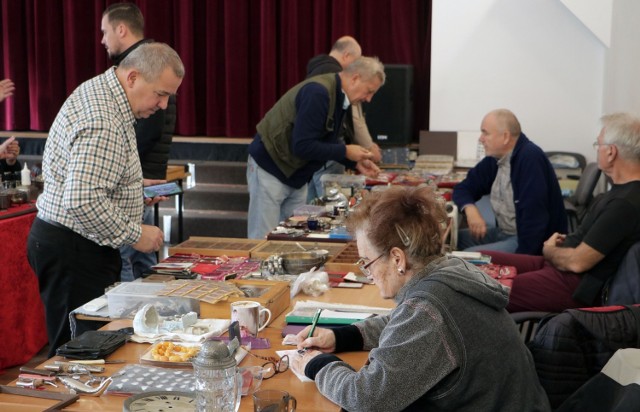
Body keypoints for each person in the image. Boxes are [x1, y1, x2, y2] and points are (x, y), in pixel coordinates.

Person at [291, 185, 550, 412]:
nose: (366, 273)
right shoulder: (449, 271)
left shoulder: (428, 308)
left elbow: (366, 399)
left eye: (366, 262)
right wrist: (341, 337)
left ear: (397, 259)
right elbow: (403, 322)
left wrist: (318, 364)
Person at [27, 43, 184, 356]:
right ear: (133, 78)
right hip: (74, 250)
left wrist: (130, 187)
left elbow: (87, 176)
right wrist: (135, 234)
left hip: (73, 246)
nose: (164, 105)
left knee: (90, 349)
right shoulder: (104, 118)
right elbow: (82, 200)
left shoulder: (105, 96)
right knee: (80, 357)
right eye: (160, 94)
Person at [484, 112, 640, 313]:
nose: (597, 150)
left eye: (598, 145)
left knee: (482, 289)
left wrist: (549, 250)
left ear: (610, 152)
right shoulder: (619, 193)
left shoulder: (623, 204)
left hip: (571, 284)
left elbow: (577, 262)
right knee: (480, 259)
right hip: (558, 267)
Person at [246, 56, 383, 239]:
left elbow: (325, 140)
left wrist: (354, 162)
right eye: (369, 91)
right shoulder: (318, 92)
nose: (369, 99)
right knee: (263, 240)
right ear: (355, 78)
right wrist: (346, 151)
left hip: (295, 175)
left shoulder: (339, 96)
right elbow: (302, 146)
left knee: (292, 237)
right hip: (271, 168)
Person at [101, 2, 178, 281]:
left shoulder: (144, 66)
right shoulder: (147, 64)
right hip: (136, 179)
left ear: (121, 29)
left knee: (131, 260)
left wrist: (130, 178)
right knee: (138, 259)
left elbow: (146, 132)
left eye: (105, 32)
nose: (102, 40)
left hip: (136, 179)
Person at [453, 109, 566, 255]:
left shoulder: (529, 158)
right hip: (503, 233)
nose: (481, 138)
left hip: (527, 242)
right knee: (452, 239)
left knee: (466, 257)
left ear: (505, 137)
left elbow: (534, 223)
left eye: (485, 133)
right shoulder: (495, 159)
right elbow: (463, 188)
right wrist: (470, 209)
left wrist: (521, 262)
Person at [306, 36, 382, 202]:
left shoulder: (318, 72)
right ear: (346, 55)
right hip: (325, 159)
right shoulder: (331, 83)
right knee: (328, 210)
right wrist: (360, 149)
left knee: (312, 210)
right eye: (356, 61)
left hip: (319, 159)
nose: (368, 99)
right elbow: (304, 143)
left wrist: (354, 161)